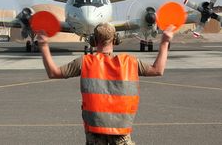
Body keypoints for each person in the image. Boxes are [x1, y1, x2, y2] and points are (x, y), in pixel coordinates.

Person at [37, 23, 174, 145]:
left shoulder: (85, 61)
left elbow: (53, 73)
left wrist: (43, 45)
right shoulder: (130, 62)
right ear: (116, 40)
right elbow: (158, 70)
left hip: (94, 128)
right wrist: (165, 42)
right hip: (121, 129)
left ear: (93, 41)